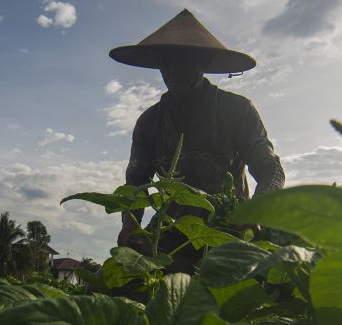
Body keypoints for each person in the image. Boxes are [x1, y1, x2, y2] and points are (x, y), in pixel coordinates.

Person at [109, 9, 285, 265]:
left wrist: (255, 211)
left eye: (184, 61)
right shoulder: (150, 122)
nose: (173, 70)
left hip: (229, 227)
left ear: (202, 63)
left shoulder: (236, 110)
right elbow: (136, 182)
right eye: (166, 62)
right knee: (114, 281)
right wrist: (131, 223)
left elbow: (271, 170)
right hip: (169, 233)